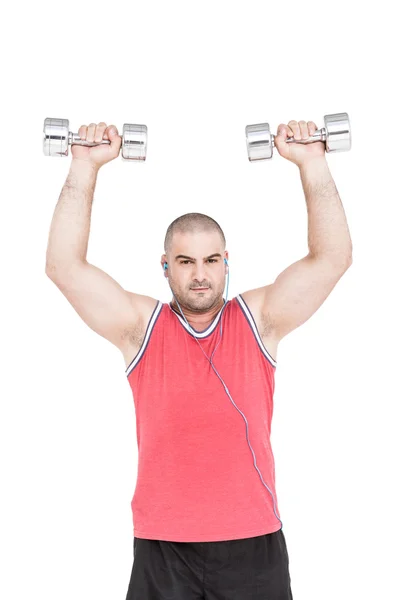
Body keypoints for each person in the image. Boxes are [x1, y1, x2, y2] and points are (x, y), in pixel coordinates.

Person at [45, 119, 353, 599]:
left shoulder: (260, 321)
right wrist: (84, 166)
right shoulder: (140, 329)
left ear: (226, 262)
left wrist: (312, 162)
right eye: (186, 262)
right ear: (166, 266)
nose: (200, 275)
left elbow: (332, 258)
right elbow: (64, 266)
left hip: (253, 544)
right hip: (164, 549)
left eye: (211, 260)